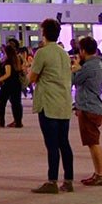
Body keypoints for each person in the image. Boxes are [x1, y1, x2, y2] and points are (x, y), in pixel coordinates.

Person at [27, 19, 74, 194]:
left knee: (52, 144)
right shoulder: (63, 53)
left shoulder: (42, 52)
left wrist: (27, 74)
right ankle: (68, 180)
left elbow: (32, 77)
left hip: (48, 103)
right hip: (64, 103)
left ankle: (52, 180)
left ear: (43, 33)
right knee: (64, 143)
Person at [72, 33, 102, 186]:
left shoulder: (88, 66)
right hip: (95, 105)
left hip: (89, 106)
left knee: (93, 142)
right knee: (92, 142)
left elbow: (74, 80)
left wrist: (76, 68)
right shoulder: (99, 63)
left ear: (84, 51)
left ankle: (101, 174)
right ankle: (98, 173)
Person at [0, 41, 26, 129]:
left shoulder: (7, 61)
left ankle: (1, 121)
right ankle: (18, 121)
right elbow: (20, 69)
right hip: (16, 84)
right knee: (16, 103)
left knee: (2, 103)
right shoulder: (17, 59)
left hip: (7, 85)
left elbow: (8, 74)